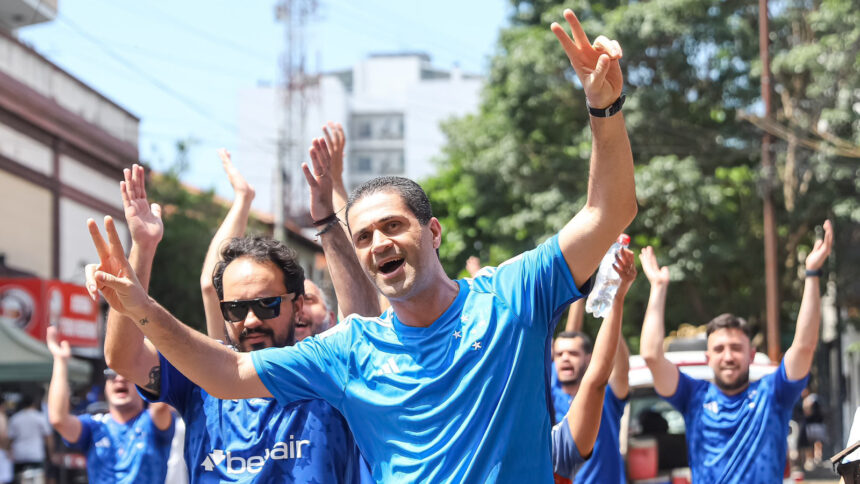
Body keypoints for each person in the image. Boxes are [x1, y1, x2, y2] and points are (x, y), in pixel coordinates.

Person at [83, 9, 636, 482]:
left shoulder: (513, 295)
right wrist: (137, 305)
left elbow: (609, 211)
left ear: (433, 232)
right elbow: (228, 377)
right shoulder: (348, 352)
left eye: (393, 226)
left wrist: (604, 110)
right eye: (364, 235)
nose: (378, 244)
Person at [102, 162, 372, 483]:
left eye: (267, 304)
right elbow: (123, 358)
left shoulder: (326, 370)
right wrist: (143, 250)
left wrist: (328, 219)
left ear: (297, 306)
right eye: (236, 309)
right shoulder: (200, 370)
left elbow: (363, 323)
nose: (252, 320)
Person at [638, 221, 834, 484]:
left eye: (736, 348)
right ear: (708, 358)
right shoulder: (692, 396)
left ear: (751, 355)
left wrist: (812, 273)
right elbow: (651, 356)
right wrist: (658, 288)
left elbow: (804, 346)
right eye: (719, 349)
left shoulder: (773, 394)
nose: (728, 356)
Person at [46, 325, 174, 484]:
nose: (119, 379)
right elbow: (59, 420)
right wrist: (60, 360)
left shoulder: (151, 422)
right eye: (111, 374)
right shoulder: (94, 426)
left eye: (128, 375)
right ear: (105, 386)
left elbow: (161, 405)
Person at [551, 248, 635, 482]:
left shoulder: (605, 397)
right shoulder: (547, 394)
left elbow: (609, 368)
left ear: (589, 358)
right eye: (560, 354)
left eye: (573, 353)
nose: (565, 358)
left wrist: (612, 299)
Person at [7, 394, 52, 482]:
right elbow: (48, 437)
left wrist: (9, 451)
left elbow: (10, 439)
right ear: (33, 404)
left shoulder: (15, 418)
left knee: (21, 479)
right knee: (38, 480)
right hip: (36, 454)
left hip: (19, 455)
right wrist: (50, 453)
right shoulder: (40, 417)